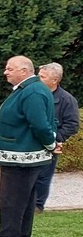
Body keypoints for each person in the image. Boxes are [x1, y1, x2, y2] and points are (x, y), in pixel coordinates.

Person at [0, 56, 58, 237]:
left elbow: (40, 124)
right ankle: (22, 234)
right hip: (24, 155)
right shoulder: (29, 89)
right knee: (26, 198)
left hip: (22, 155)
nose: (5, 72)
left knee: (11, 197)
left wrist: (51, 144)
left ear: (25, 71)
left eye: (10, 69)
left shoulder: (32, 91)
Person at [34, 63, 78, 212]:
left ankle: (37, 205)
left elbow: (72, 124)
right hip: (30, 142)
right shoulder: (33, 95)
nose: (38, 78)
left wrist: (54, 138)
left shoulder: (67, 100)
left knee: (43, 176)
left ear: (55, 80)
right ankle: (17, 201)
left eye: (42, 76)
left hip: (50, 145)